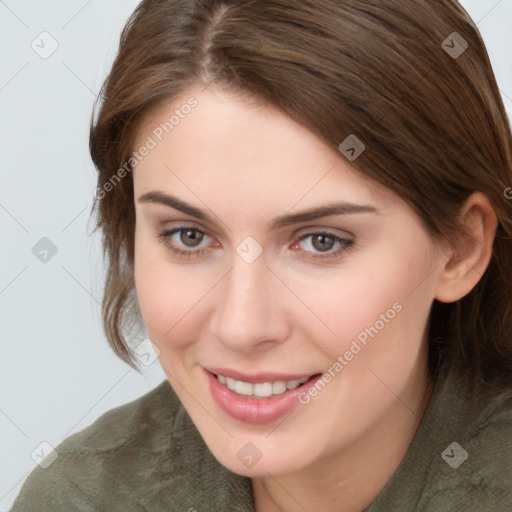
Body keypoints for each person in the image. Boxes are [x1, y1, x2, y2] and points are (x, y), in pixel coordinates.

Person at [11, 0, 512, 510]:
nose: (241, 327)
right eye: (188, 235)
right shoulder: (80, 499)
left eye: (322, 241)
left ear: (460, 249)